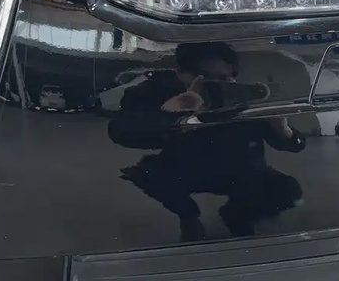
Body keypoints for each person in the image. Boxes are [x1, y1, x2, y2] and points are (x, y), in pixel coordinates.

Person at [113, 42, 305, 241]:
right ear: (182, 74)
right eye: (206, 77)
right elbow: (121, 130)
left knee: (288, 191)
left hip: (241, 171)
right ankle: (188, 216)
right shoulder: (156, 92)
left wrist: (283, 130)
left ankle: (238, 214)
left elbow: (296, 144)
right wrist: (177, 118)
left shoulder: (242, 96)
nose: (218, 85)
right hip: (184, 169)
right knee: (148, 174)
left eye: (226, 78)